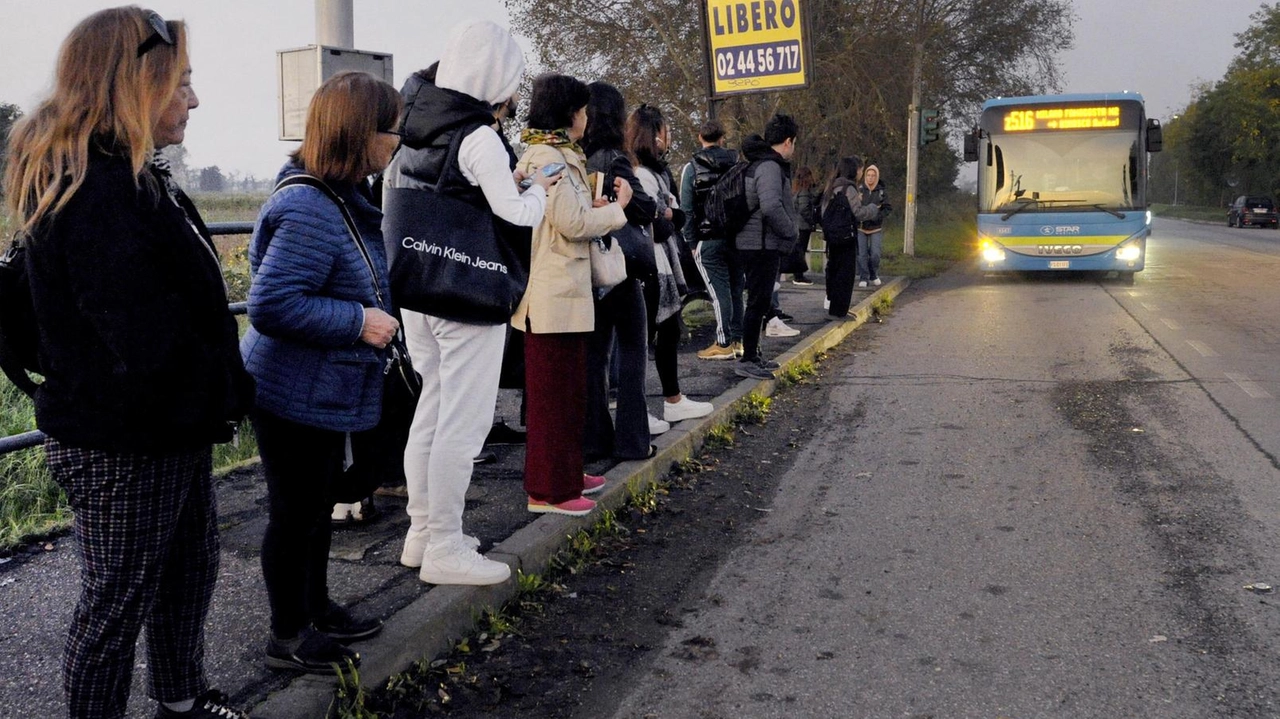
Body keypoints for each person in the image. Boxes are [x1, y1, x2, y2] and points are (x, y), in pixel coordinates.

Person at [3, 8, 253, 718]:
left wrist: (216, 396)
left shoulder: (128, 175)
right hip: (123, 439)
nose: (194, 101)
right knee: (116, 602)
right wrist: (220, 392)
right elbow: (143, 340)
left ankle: (179, 697)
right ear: (133, 84)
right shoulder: (99, 193)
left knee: (186, 571)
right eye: (182, 84)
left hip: (164, 427)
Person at [242, 71, 402, 674]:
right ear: (361, 134)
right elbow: (272, 302)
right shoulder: (311, 206)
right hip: (291, 389)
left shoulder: (333, 194)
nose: (397, 143)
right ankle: (287, 635)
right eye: (391, 130)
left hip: (315, 386)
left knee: (314, 506)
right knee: (296, 511)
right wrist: (358, 319)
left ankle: (316, 606)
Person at [385, 21, 552, 585]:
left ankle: (421, 532)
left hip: (419, 288)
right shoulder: (477, 135)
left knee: (432, 409)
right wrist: (538, 190)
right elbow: (517, 215)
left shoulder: (415, 124)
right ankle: (447, 548)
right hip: (468, 289)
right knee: (465, 419)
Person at [513, 73, 633, 516]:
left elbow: (570, 214)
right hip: (553, 296)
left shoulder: (554, 154)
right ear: (569, 113)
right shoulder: (551, 157)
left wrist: (594, 209)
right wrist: (617, 211)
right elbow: (574, 225)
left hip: (562, 294)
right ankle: (548, 490)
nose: (587, 117)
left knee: (567, 393)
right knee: (553, 398)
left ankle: (565, 472)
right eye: (582, 109)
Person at [582, 82, 660, 460]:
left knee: (595, 357)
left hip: (589, 270)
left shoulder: (580, 156)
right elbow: (644, 209)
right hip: (621, 268)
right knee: (632, 353)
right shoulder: (614, 158)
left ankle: (595, 438)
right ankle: (633, 440)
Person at [626, 105, 715, 426]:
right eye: (665, 130)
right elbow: (659, 224)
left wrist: (668, 214)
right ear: (654, 135)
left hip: (665, 262)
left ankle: (673, 398)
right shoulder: (642, 174)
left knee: (666, 334)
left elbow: (676, 216)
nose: (670, 136)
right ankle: (646, 406)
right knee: (647, 337)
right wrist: (667, 214)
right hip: (651, 265)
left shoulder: (659, 173)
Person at [733, 114, 801, 380]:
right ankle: (748, 358)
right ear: (788, 141)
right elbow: (771, 206)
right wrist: (791, 231)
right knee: (758, 301)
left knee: (760, 301)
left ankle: (755, 355)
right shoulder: (771, 167)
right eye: (794, 143)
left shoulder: (762, 163)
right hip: (760, 244)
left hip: (757, 242)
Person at [680, 119, 745, 361]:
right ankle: (739, 341)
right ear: (722, 138)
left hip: (708, 238)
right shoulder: (737, 164)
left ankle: (723, 342)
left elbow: (686, 208)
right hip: (736, 237)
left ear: (700, 138)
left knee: (719, 293)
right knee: (737, 289)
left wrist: (691, 242)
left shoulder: (692, 168)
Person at [820, 156, 880, 317]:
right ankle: (841, 310)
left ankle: (834, 306)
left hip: (832, 236)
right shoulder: (849, 188)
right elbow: (858, 213)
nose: (861, 172)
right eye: (860, 169)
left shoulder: (832, 186)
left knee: (833, 270)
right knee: (845, 274)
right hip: (846, 236)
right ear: (853, 171)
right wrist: (873, 209)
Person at [857, 164, 892, 287]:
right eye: (868, 175)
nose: (870, 178)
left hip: (876, 227)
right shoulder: (859, 190)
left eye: (873, 176)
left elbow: (887, 208)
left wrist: (878, 216)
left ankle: (874, 274)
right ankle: (863, 277)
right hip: (861, 227)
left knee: (875, 254)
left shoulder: (881, 192)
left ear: (877, 177)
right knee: (862, 254)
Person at [787, 166, 819, 285]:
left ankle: (797, 274)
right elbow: (804, 208)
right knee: (801, 250)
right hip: (803, 226)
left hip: (796, 224)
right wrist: (812, 221)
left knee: (798, 250)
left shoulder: (795, 190)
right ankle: (798, 276)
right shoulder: (804, 191)